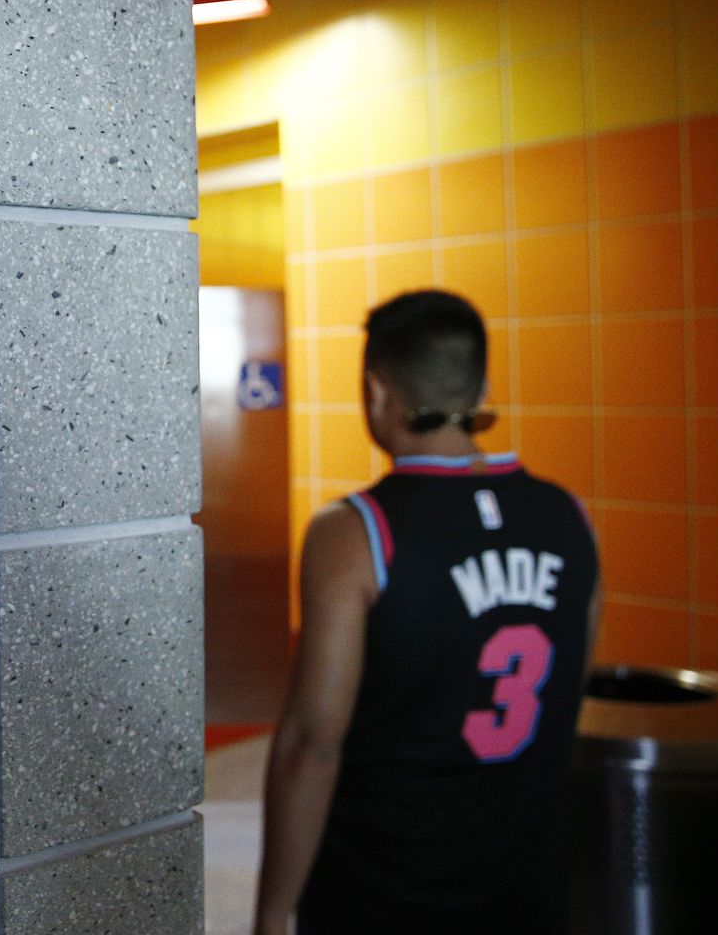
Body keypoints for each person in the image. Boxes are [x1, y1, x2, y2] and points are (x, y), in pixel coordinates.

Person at [254, 290, 600, 935]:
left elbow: (311, 745)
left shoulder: (356, 532)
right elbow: (567, 691)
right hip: (527, 886)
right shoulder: (569, 517)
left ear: (377, 392)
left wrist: (273, 914)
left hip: (382, 889)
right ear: (482, 389)